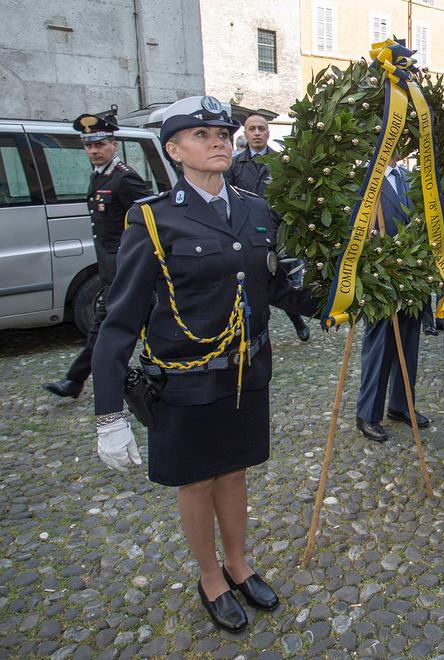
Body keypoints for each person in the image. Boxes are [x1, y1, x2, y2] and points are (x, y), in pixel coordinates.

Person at [90, 96, 316, 633]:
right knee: (195, 482)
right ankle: (210, 576)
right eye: (202, 135)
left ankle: (239, 563)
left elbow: (276, 284)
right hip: (184, 377)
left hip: (244, 369)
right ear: (174, 150)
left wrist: (340, 298)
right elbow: (119, 320)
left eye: (223, 133)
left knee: (234, 472)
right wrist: (108, 415)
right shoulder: (153, 217)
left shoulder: (256, 210)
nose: (219, 141)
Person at [43, 110, 152, 399]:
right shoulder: (99, 177)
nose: (93, 150)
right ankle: (79, 380)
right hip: (111, 269)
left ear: (113, 145)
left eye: (99, 144)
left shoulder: (124, 179)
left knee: (109, 327)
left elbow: (149, 219)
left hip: (125, 268)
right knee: (113, 327)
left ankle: (79, 380)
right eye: (88, 145)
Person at [356, 157, 429, 443]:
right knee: (380, 345)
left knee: (409, 343)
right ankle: (368, 413)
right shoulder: (365, 178)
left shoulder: (408, 177)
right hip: (380, 275)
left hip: (412, 274)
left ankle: (401, 404)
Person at [226, 112, 310, 342]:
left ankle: (297, 320)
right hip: (245, 232)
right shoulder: (235, 164)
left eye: (261, 129)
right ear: (245, 133)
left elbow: (293, 195)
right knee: (248, 282)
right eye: (252, 129)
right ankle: (254, 329)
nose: (256, 133)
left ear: (268, 133)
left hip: (276, 231)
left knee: (282, 281)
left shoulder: (281, 161)